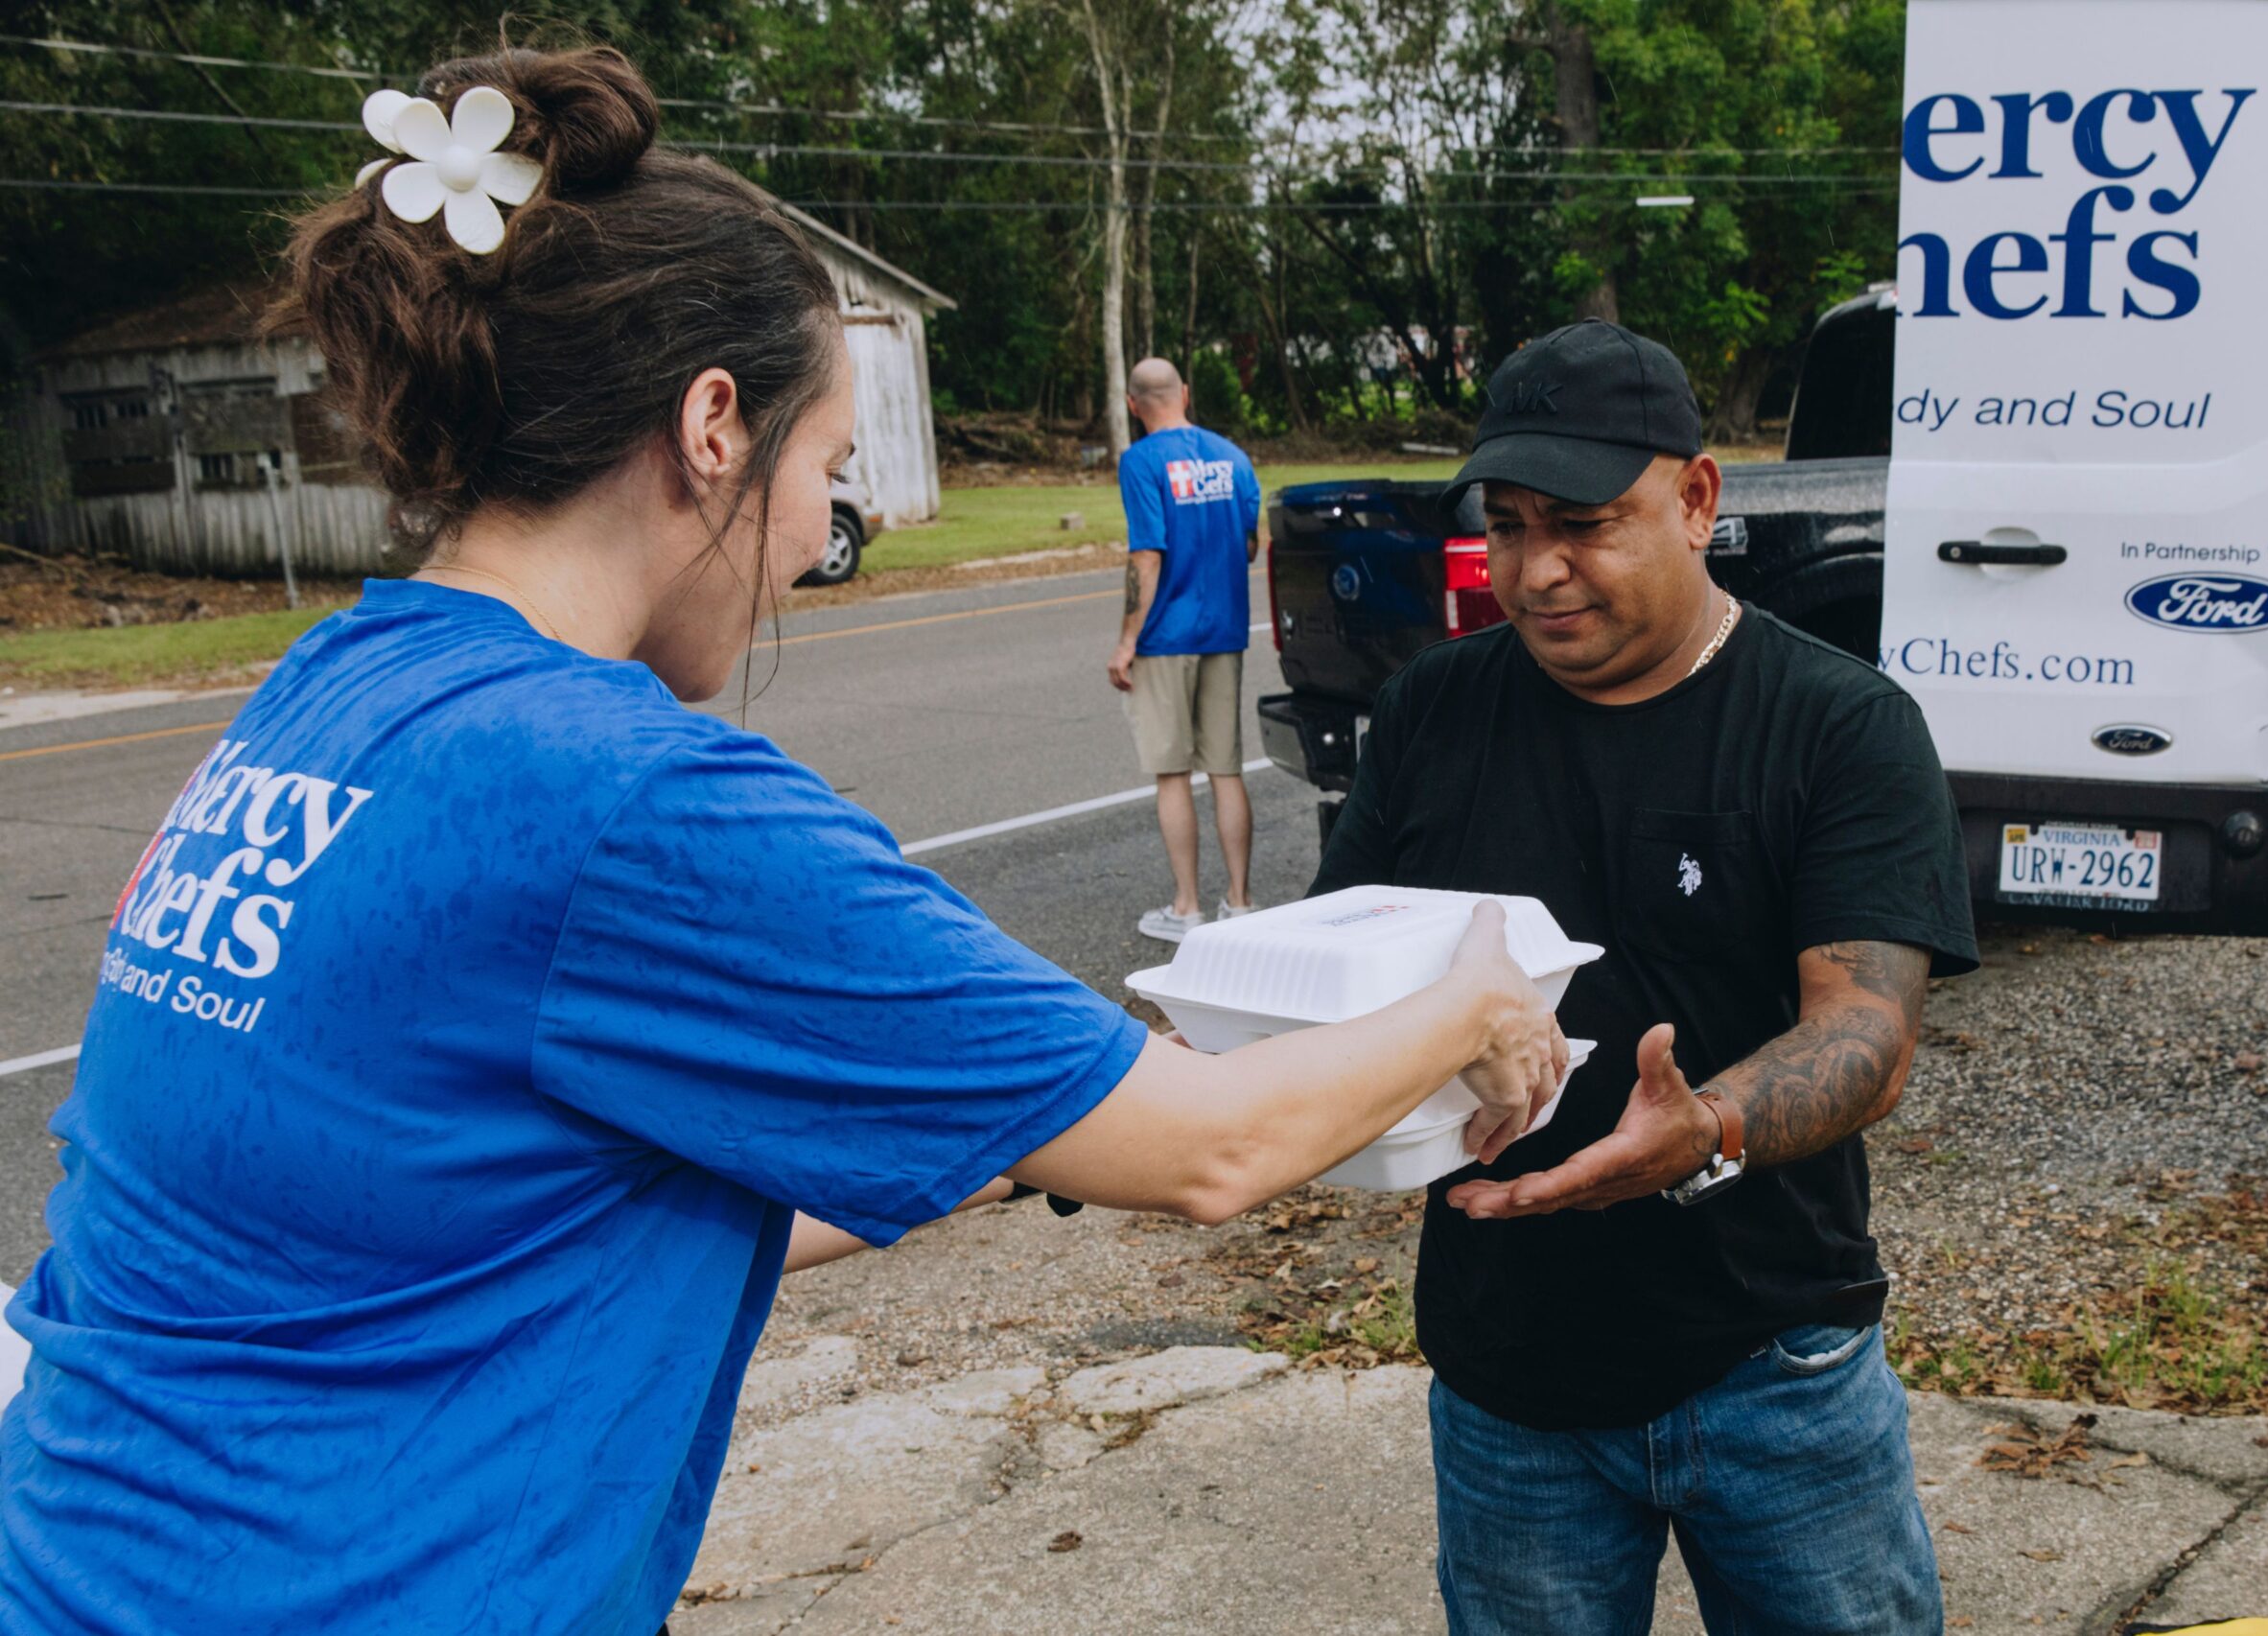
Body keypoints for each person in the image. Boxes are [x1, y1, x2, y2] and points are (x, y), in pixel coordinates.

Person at [0, 49, 1570, 1636]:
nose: (807, 554)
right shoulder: (627, 794)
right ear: (710, 430)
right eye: (826, 481)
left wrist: (1007, 1130)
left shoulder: (325, 694)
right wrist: (1475, 1002)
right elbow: (1210, 1149)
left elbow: (528, 1188)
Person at [1312, 318, 1979, 1635]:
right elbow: (1342, 975)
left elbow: (1867, 1033)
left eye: (1582, 521)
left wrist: (1705, 1130)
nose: (1538, 570)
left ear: (1696, 498)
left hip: (1776, 1361)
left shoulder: (1837, 723)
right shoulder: (1435, 712)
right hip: (1510, 1378)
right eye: (1506, 524)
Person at [1106, 357, 1263, 942]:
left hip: (1167, 635)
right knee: (1227, 769)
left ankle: (1187, 907)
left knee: (1172, 773)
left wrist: (1126, 642)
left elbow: (1147, 555)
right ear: (1186, 394)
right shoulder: (1233, 457)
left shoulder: (1140, 462)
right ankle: (1241, 901)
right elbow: (1250, 545)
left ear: (1132, 404)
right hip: (1223, 629)